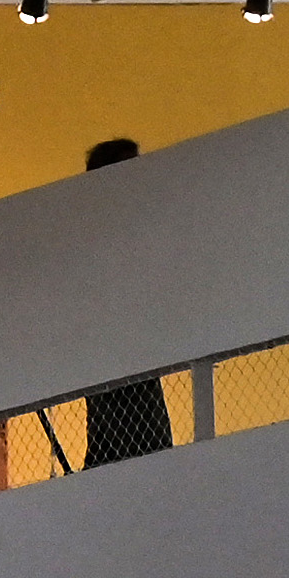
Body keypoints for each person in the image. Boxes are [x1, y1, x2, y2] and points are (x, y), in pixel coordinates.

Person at [71, 139, 176, 465]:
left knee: (124, 447)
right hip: (113, 356)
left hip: (133, 356)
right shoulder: (99, 234)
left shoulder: (118, 230)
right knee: (136, 447)